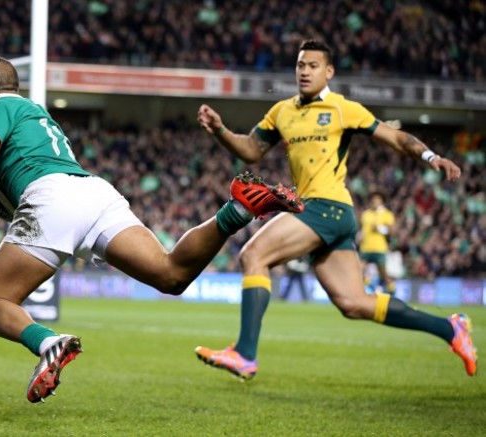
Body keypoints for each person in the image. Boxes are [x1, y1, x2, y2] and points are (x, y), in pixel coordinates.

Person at [0, 57, 303, 403]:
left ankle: (50, 344)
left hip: (52, 197)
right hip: (93, 191)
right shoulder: (35, 112)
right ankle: (237, 209)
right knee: (171, 275)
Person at [194, 40, 477, 380]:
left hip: (325, 206)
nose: (304, 71)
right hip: (330, 215)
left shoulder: (344, 109)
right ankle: (451, 328)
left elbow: (396, 138)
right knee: (354, 303)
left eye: (313, 66)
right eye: (300, 65)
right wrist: (220, 131)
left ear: (328, 72)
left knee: (254, 254)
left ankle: (244, 354)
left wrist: (431, 157)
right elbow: (251, 150)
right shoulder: (282, 111)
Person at [359, 191, 396, 294]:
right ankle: (370, 286)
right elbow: (362, 229)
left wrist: (380, 228)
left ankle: (392, 292)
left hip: (379, 248)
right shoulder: (365, 214)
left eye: (377, 200)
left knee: (384, 275)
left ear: (382, 201)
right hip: (365, 248)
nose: (375, 201)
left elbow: (392, 231)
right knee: (358, 271)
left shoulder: (387, 214)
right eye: (373, 200)